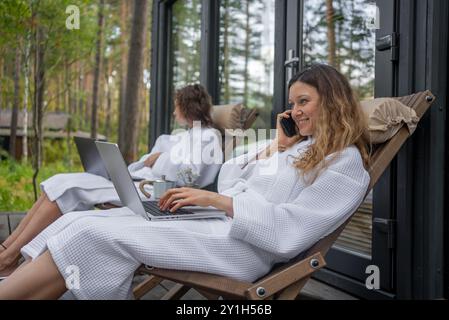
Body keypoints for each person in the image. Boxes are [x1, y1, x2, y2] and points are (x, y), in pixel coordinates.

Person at [0, 64, 371, 300]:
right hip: (218, 227)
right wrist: (275, 146)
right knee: (81, 220)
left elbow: (290, 230)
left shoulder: (345, 163)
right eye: (292, 104)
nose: (294, 112)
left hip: (245, 250)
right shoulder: (295, 148)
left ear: (334, 102)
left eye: (304, 101)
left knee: (94, 236)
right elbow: (228, 177)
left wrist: (218, 203)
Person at [0, 84, 222, 278]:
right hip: (136, 180)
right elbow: (144, 163)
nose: (174, 112)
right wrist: (150, 161)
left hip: (154, 192)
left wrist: (157, 160)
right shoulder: (179, 136)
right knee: (59, 182)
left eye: (176, 106)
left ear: (187, 106)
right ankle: (7, 249)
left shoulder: (208, 136)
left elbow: (188, 176)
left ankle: (9, 259)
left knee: (69, 188)